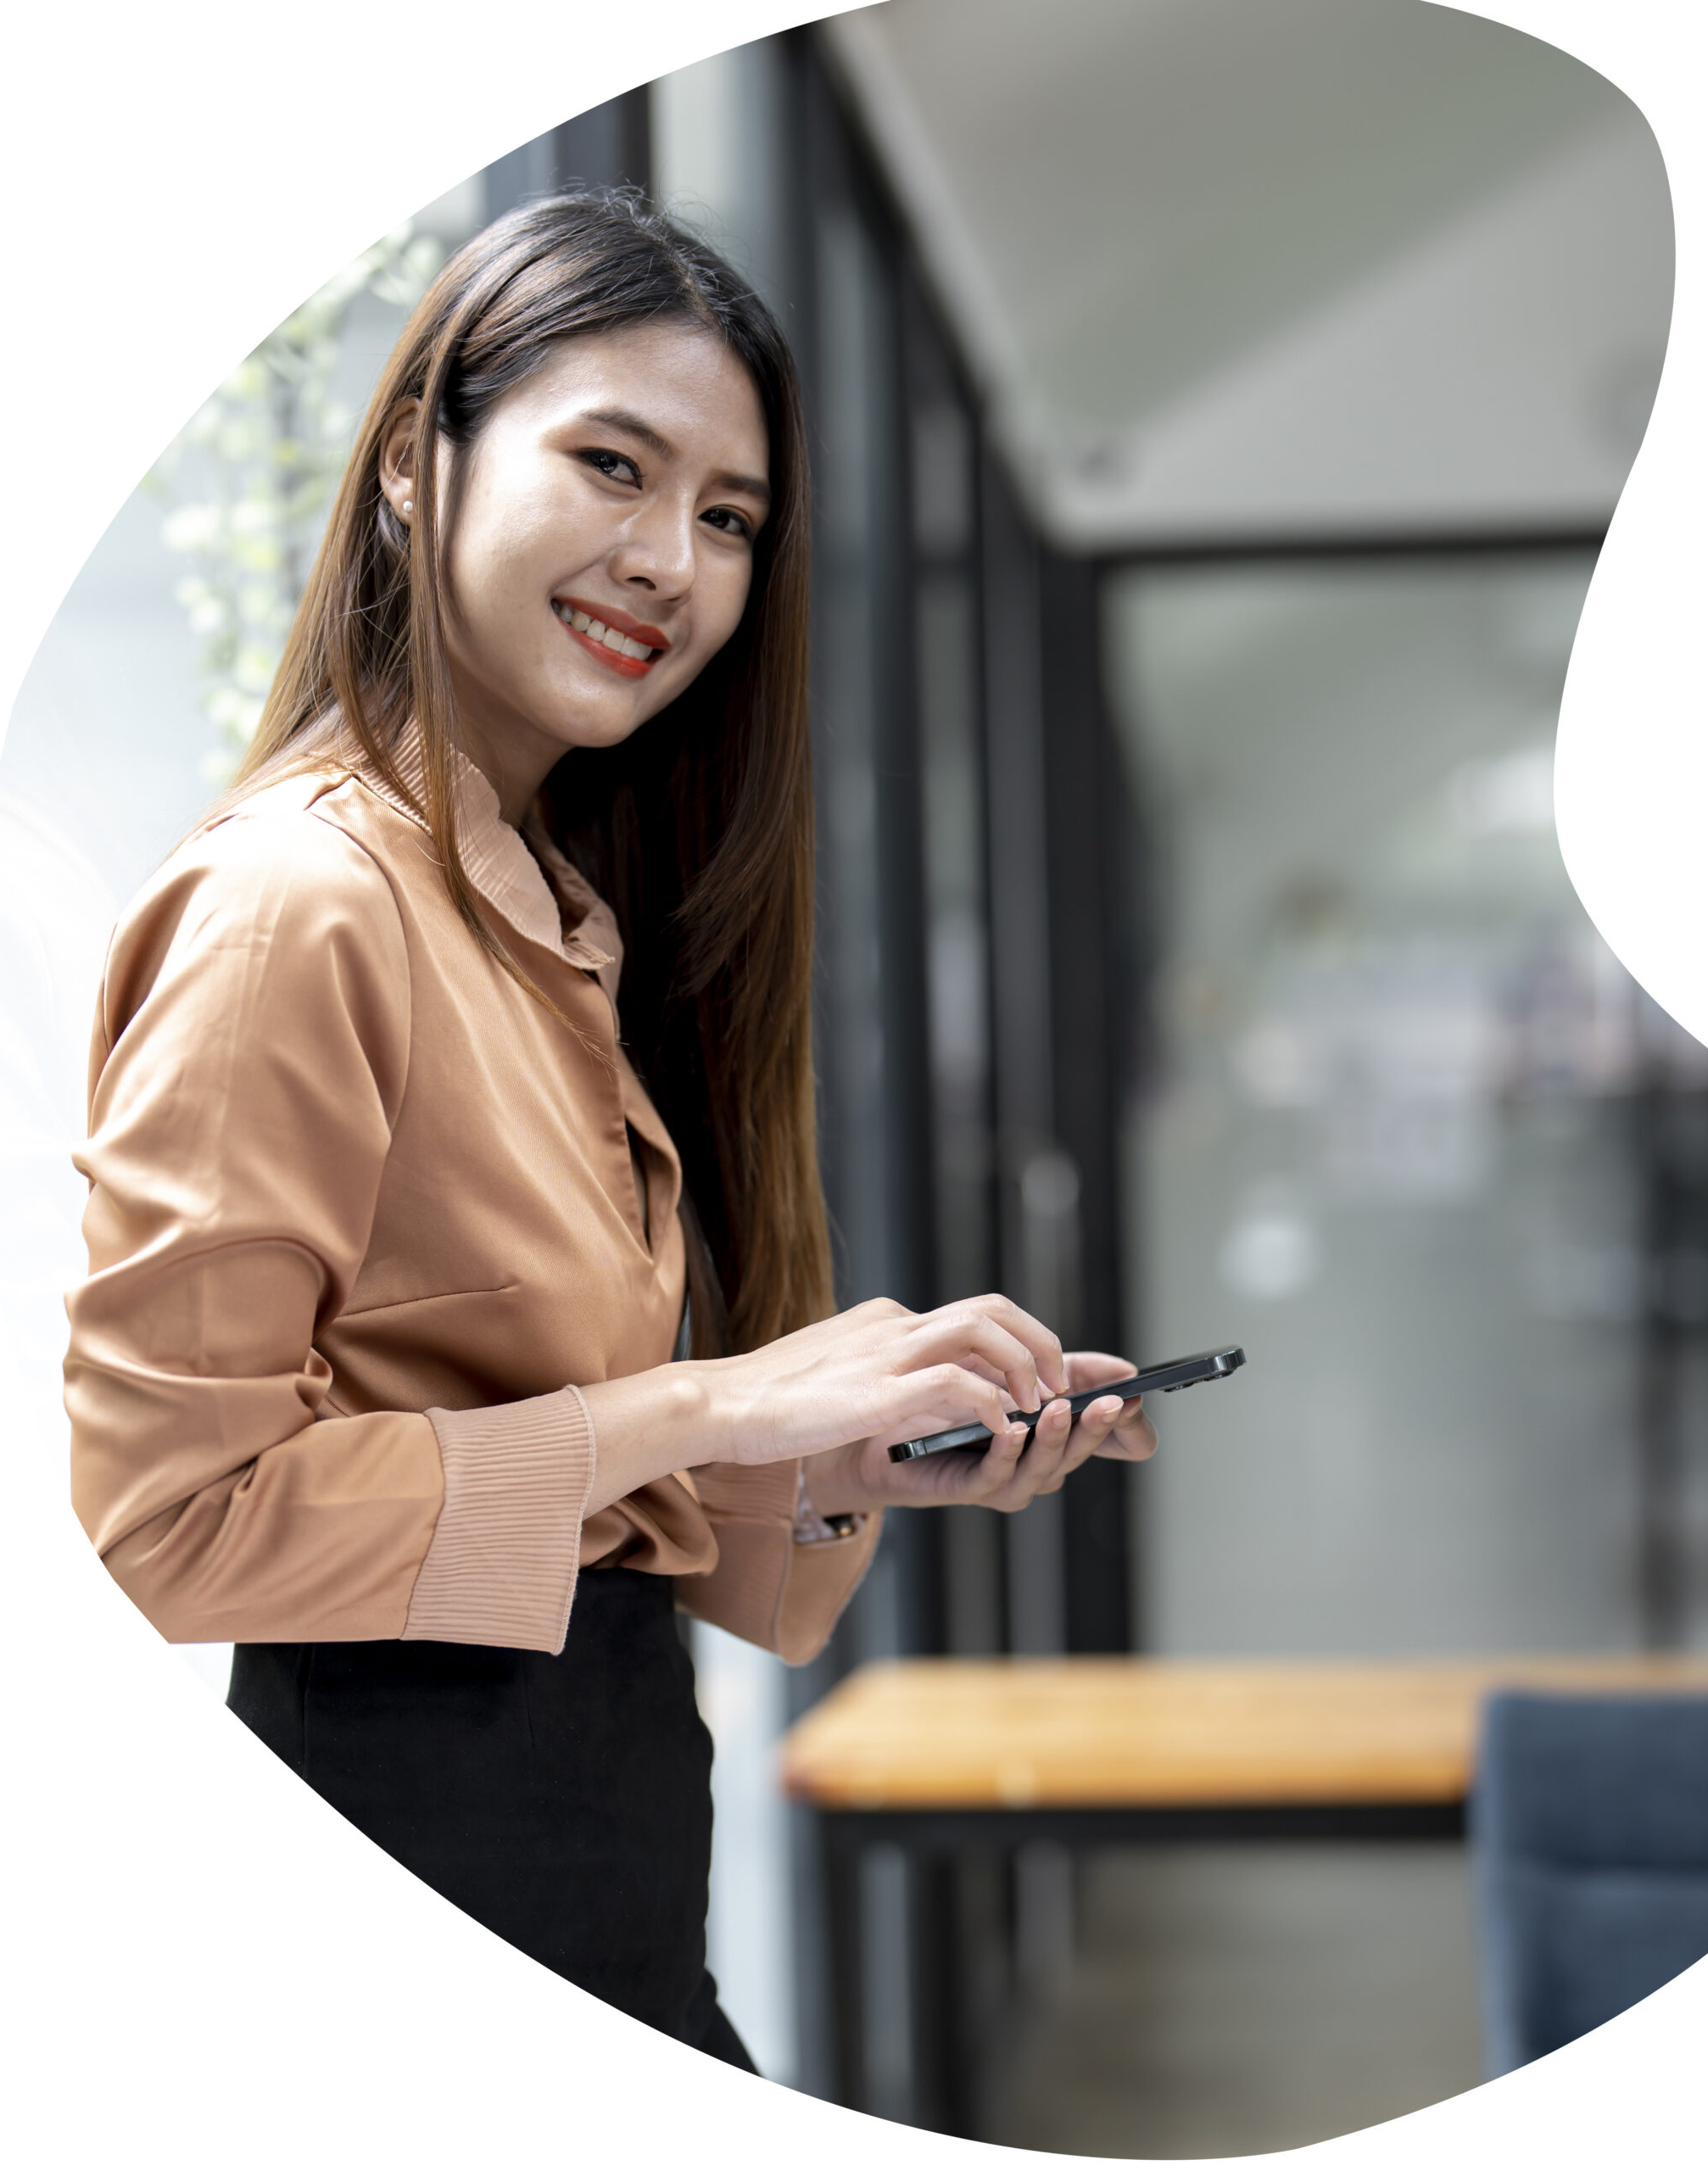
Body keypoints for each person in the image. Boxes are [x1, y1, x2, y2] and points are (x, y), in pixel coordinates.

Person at [64, 190, 1155, 2070]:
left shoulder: (561, 921)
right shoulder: (299, 902)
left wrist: (848, 1454)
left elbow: (610, 1540)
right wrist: (726, 1403)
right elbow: (173, 1520)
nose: (673, 560)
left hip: (614, 1893)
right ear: (418, 457)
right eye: (612, 465)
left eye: (729, 518)